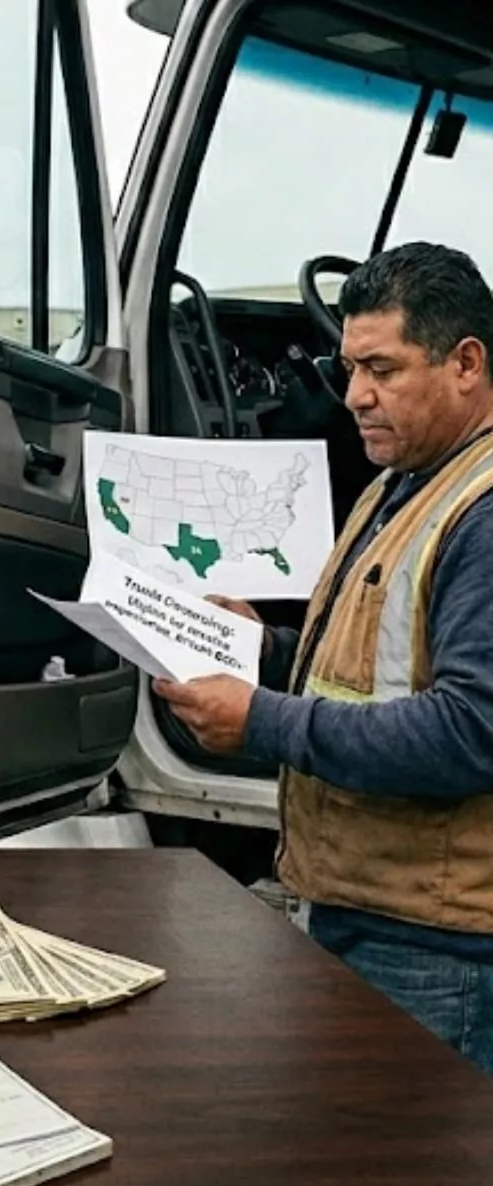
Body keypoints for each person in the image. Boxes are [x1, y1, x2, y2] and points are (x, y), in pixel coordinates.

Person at [158, 241, 493, 1074]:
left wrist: (261, 720)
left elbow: (472, 730)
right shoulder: (403, 478)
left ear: (467, 363)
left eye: (381, 368)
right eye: (346, 367)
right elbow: (373, 664)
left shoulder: (483, 516)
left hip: (440, 949)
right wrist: (258, 647)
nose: (354, 397)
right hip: (374, 911)